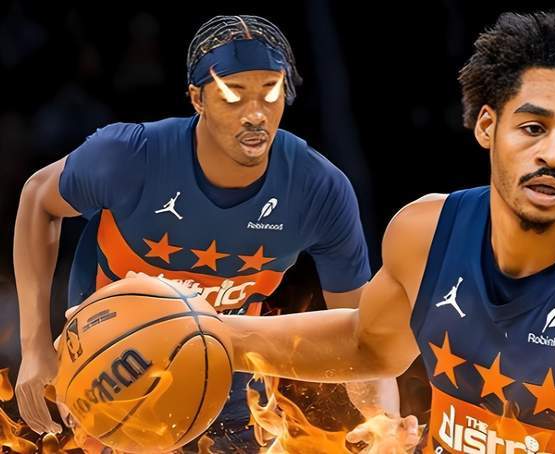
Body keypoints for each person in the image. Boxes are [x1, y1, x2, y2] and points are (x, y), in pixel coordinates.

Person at [220, 10, 555, 452]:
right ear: (487, 126)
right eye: (533, 128)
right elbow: (368, 346)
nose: (553, 154)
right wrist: (215, 332)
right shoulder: (425, 233)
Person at [14, 14, 397, 451]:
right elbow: (38, 198)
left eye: (270, 91)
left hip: (226, 376)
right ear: (197, 97)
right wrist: (34, 346)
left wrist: (382, 419)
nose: (255, 114)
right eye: (232, 93)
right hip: (111, 366)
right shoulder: (130, 156)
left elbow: (360, 334)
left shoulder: (318, 189)